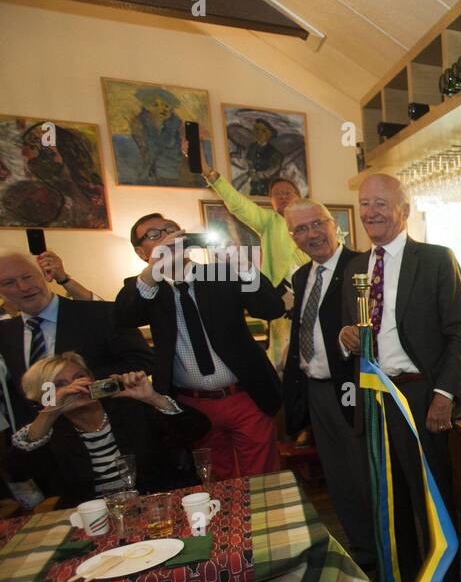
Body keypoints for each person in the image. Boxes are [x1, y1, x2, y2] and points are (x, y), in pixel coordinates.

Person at [338, 173, 461, 582]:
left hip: (419, 397)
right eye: (364, 204)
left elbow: (460, 336)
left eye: (381, 202)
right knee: (390, 503)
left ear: (404, 209)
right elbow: (350, 332)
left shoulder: (435, 260)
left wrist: (443, 395)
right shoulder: (355, 267)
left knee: (432, 503)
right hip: (374, 399)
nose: (371, 212)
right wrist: (345, 337)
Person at [114, 212, 288, 481]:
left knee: (264, 480)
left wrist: (243, 266)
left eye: (171, 229)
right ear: (140, 251)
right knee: (214, 480)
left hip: (246, 396)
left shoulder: (218, 272)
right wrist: (156, 269)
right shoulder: (145, 288)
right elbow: (125, 316)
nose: (167, 237)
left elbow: (271, 307)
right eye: (154, 235)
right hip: (191, 406)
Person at [281, 199, 374, 569]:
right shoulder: (302, 276)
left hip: (353, 390)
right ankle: (363, 558)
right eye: (300, 229)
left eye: (317, 224)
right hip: (316, 391)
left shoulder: (361, 267)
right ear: (292, 237)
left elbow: (376, 331)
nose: (311, 234)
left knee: (367, 482)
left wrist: (348, 337)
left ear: (333, 224)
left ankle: (390, 560)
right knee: (340, 483)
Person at [9, 352, 209, 506]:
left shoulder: (129, 407)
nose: (76, 386)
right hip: (90, 520)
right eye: (61, 385)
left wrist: (152, 398)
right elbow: (18, 471)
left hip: (155, 505)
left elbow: (198, 429)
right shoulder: (47, 431)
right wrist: (50, 413)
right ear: (44, 395)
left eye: (80, 376)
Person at [186, 134, 307, 376]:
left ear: (299, 197)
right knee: (286, 361)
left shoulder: (314, 222)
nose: (282, 196)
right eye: (277, 194)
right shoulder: (269, 222)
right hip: (282, 300)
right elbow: (238, 204)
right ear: (270, 203)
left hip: (313, 290)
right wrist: (209, 172)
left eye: (287, 192)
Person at [0, 249, 153, 430]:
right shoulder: (5, 332)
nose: (23, 287)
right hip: (49, 444)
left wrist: (82, 388)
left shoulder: (102, 314)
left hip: (113, 427)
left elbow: (143, 362)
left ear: (45, 275)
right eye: (9, 283)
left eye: (28, 277)